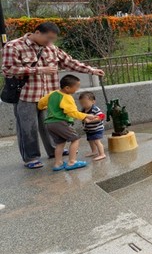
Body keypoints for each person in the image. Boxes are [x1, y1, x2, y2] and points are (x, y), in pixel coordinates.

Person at [1, 21, 105, 170]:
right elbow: (8, 70)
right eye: (48, 38)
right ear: (37, 32)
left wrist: (91, 70)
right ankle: (31, 157)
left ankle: (53, 150)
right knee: (27, 128)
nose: (49, 42)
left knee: (50, 125)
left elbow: (69, 62)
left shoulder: (51, 48)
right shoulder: (14, 46)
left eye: (52, 39)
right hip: (26, 95)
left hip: (49, 96)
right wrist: (39, 70)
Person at [37, 75, 99, 172]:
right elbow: (72, 113)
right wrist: (86, 116)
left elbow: (41, 103)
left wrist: (42, 108)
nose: (77, 89)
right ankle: (72, 162)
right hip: (60, 123)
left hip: (50, 123)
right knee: (75, 139)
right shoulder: (66, 97)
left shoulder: (53, 94)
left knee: (60, 143)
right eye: (76, 87)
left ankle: (58, 164)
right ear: (67, 88)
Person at [78, 91, 107, 161]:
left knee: (97, 141)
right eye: (81, 103)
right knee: (90, 140)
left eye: (85, 103)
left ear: (93, 102)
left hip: (97, 129)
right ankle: (94, 151)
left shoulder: (95, 109)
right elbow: (81, 116)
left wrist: (90, 121)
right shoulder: (83, 110)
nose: (83, 105)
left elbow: (101, 117)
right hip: (89, 129)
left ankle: (102, 154)